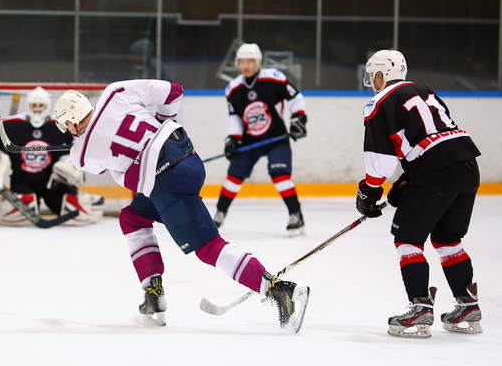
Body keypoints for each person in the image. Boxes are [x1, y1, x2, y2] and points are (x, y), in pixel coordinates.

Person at [52, 80, 310, 331]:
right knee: (133, 217)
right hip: (186, 157)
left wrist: (82, 142)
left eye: (66, 126)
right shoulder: (115, 92)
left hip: (166, 183)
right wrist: (161, 125)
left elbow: (97, 167)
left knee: (209, 248)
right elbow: (174, 91)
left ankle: (278, 289)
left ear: (70, 121)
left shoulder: (80, 153)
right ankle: (152, 292)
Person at [356, 49, 483, 338]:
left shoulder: (378, 103)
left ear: (380, 75)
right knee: (447, 238)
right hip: (466, 165)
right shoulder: (424, 90)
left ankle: (420, 308)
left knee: (407, 238)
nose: (371, 82)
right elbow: (434, 134)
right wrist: (410, 178)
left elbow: (379, 158)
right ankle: (467, 305)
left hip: (436, 171)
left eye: (372, 75)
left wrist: (368, 192)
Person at [213, 43, 308, 235]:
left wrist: (298, 118)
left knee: (280, 176)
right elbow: (235, 117)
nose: (246, 65)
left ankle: (295, 215)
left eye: (250, 61)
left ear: (257, 62)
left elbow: (295, 99)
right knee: (234, 177)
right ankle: (219, 215)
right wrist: (233, 138)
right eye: (242, 62)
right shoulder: (233, 88)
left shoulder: (274, 78)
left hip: (276, 138)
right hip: (250, 141)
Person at [0, 86, 104, 226]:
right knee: (19, 212)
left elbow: (71, 151)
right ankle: (0, 203)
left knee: (77, 214)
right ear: (27, 105)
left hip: (52, 182)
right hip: (22, 182)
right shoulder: (11, 125)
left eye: (41, 105)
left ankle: (78, 198)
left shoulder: (61, 126)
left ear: (48, 106)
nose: (37, 109)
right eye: (34, 105)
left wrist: (69, 166)